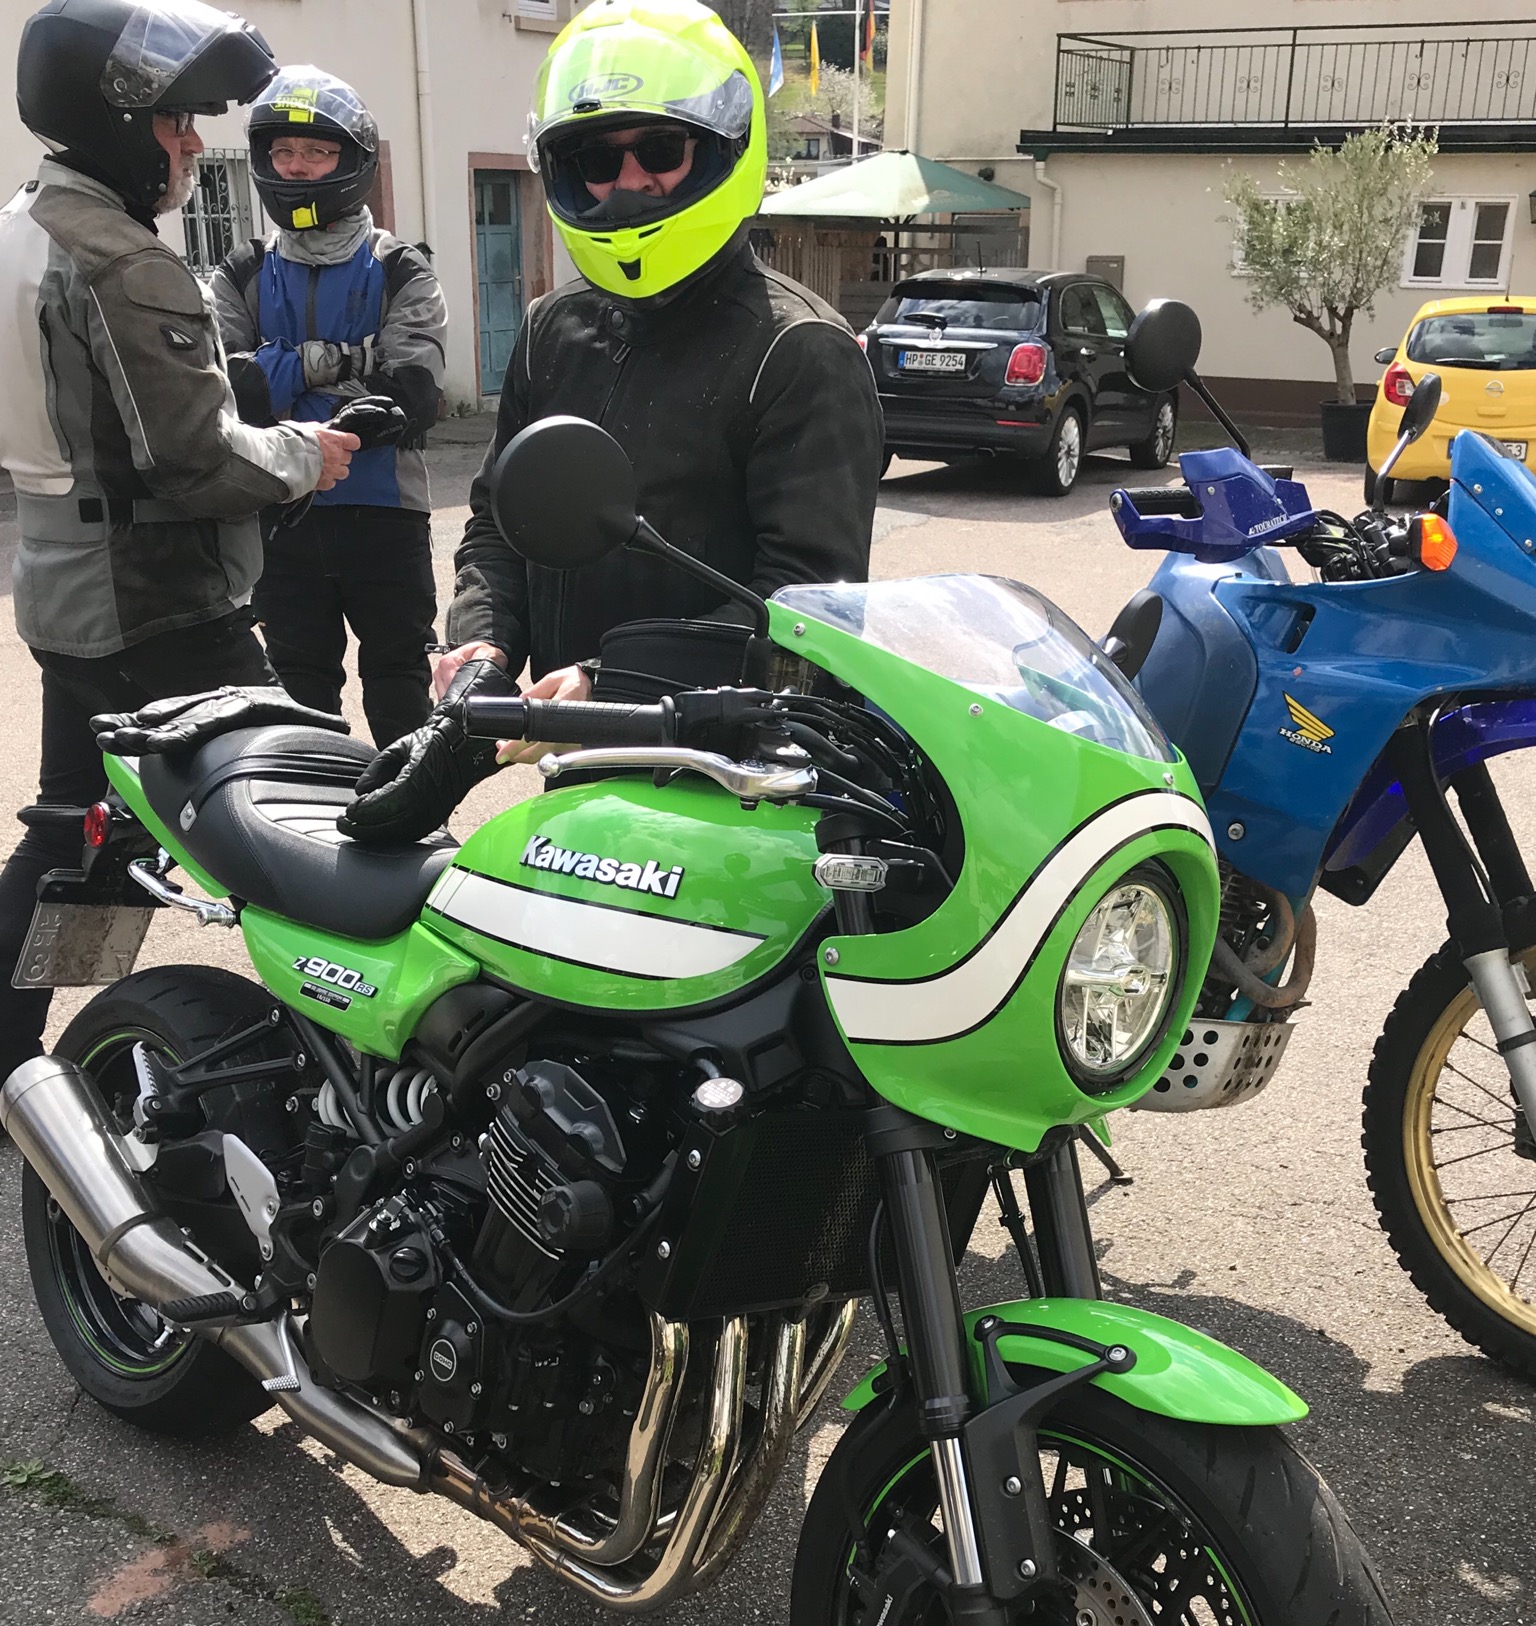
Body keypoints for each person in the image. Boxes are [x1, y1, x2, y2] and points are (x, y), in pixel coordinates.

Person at [343, 0, 883, 841]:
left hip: (729, 778)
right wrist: (483, 655)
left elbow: (805, 610)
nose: (629, 182)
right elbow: (501, 522)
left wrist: (609, 681)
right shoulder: (553, 328)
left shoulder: (800, 351)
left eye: (661, 150)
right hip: (576, 762)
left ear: (722, 149)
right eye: (597, 159)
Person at [0, 0, 359, 1083]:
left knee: (87, 829)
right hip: (161, 604)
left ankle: (17, 1060)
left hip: (62, 590)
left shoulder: (19, 225)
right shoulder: (120, 257)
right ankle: (343, 1077)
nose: (195, 144)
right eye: (174, 122)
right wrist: (303, 453)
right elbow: (194, 460)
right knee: (301, 822)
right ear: (113, 121)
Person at [214, 67, 449, 747]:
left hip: (386, 514)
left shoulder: (401, 267)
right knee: (297, 690)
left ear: (352, 162)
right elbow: (229, 393)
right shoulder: (241, 270)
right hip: (281, 513)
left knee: (400, 682)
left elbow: (412, 397)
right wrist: (345, 361)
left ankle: (408, 810)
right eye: (284, 151)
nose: (296, 167)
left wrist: (282, 374)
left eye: (316, 152)